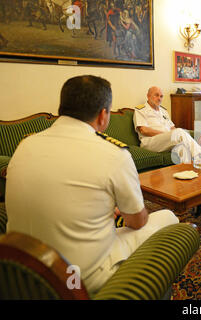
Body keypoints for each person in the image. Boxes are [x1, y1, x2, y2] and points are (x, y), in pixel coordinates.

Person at [6, 75, 179, 295]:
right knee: (168, 218)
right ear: (103, 115)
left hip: (21, 270)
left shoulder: (24, 145)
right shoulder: (114, 154)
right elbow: (137, 221)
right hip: (78, 278)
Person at [133, 86, 201, 163]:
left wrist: (172, 135)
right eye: (156, 95)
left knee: (182, 148)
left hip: (166, 140)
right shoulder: (141, 110)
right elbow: (144, 130)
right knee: (178, 132)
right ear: (148, 96)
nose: (159, 98)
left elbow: (172, 128)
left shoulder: (163, 111)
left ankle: (189, 172)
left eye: (161, 96)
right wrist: (168, 134)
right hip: (150, 142)